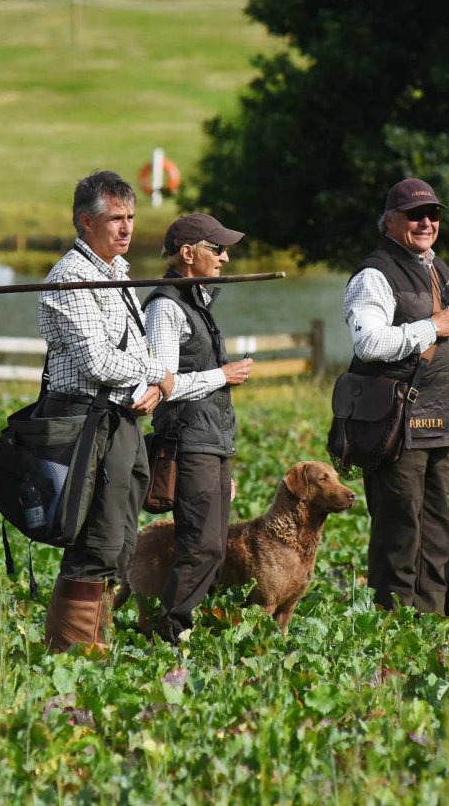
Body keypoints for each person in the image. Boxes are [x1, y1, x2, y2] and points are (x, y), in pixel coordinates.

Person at [37, 170, 174, 653]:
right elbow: (98, 361)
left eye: (131, 217)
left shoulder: (117, 271)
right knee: (94, 537)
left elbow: (130, 350)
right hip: (84, 424)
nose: (127, 228)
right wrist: (156, 372)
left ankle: (95, 639)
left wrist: (152, 381)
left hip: (120, 422)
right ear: (85, 221)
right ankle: (71, 650)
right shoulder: (69, 278)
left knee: (117, 538)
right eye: (115, 218)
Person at [341, 178, 449, 614]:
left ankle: (431, 627)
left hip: (440, 423)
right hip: (398, 425)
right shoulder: (374, 274)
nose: (426, 222)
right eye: (415, 214)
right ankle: (392, 635)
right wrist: (431, 327)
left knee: (436, 532)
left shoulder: (439, 269)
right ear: (390, 221)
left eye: (433, 214)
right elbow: (369, 343)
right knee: (399, 533)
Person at [143, 214, 253, 643]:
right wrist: (222, 375)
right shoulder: (166, 306)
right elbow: (164, 385)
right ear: (188, 255)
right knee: (202, 545)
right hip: (188, 442)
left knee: (213, 545)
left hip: (211, 440)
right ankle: (170, 631)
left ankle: (179, 625)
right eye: (216, 248)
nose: (225, 257)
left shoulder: (197, 301)